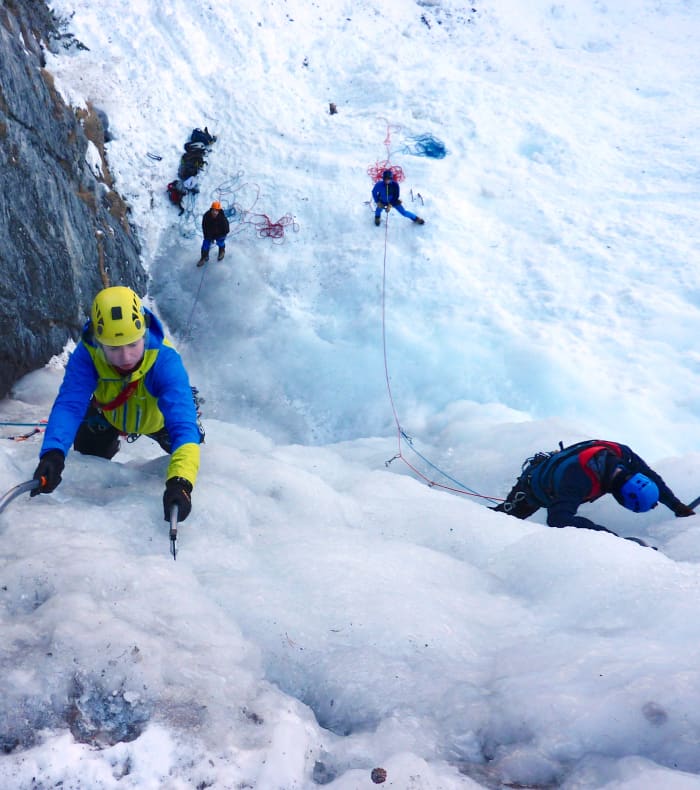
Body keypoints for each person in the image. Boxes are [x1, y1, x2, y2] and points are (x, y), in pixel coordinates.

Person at [31, 286, 202, 525]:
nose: (126, 357)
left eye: (133, 344)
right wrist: (52, 453)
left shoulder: (165, 361)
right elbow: (70, 405)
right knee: (89, 458)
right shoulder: (87, 355)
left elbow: (183, 426)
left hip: (160, 421)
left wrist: (180, 483)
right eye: (113, 348)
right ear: (99, 343)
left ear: (143, 333)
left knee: (191, 448)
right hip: (109, 415)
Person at [491, 439, 694, 547]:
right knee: (500, 520)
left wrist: (677, 506)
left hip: (556, 473)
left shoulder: (623, 456)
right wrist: (609, 537)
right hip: (532, 489)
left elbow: (652, 477)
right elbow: (558, 519)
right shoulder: (579, 480)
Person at [197, 200, 230, 266]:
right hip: (210, 234)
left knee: (220, 242)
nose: (215, 212)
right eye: (213, 210)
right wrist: (207, 235)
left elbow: (226, 230)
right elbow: (204, 227)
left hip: (220, 235)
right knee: (205, 245)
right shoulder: (206, 216)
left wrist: (220, 236)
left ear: (219, 211)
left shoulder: (222, 218)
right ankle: (203, 257)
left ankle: (222, 251)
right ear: (211, 209)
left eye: (216, 210)